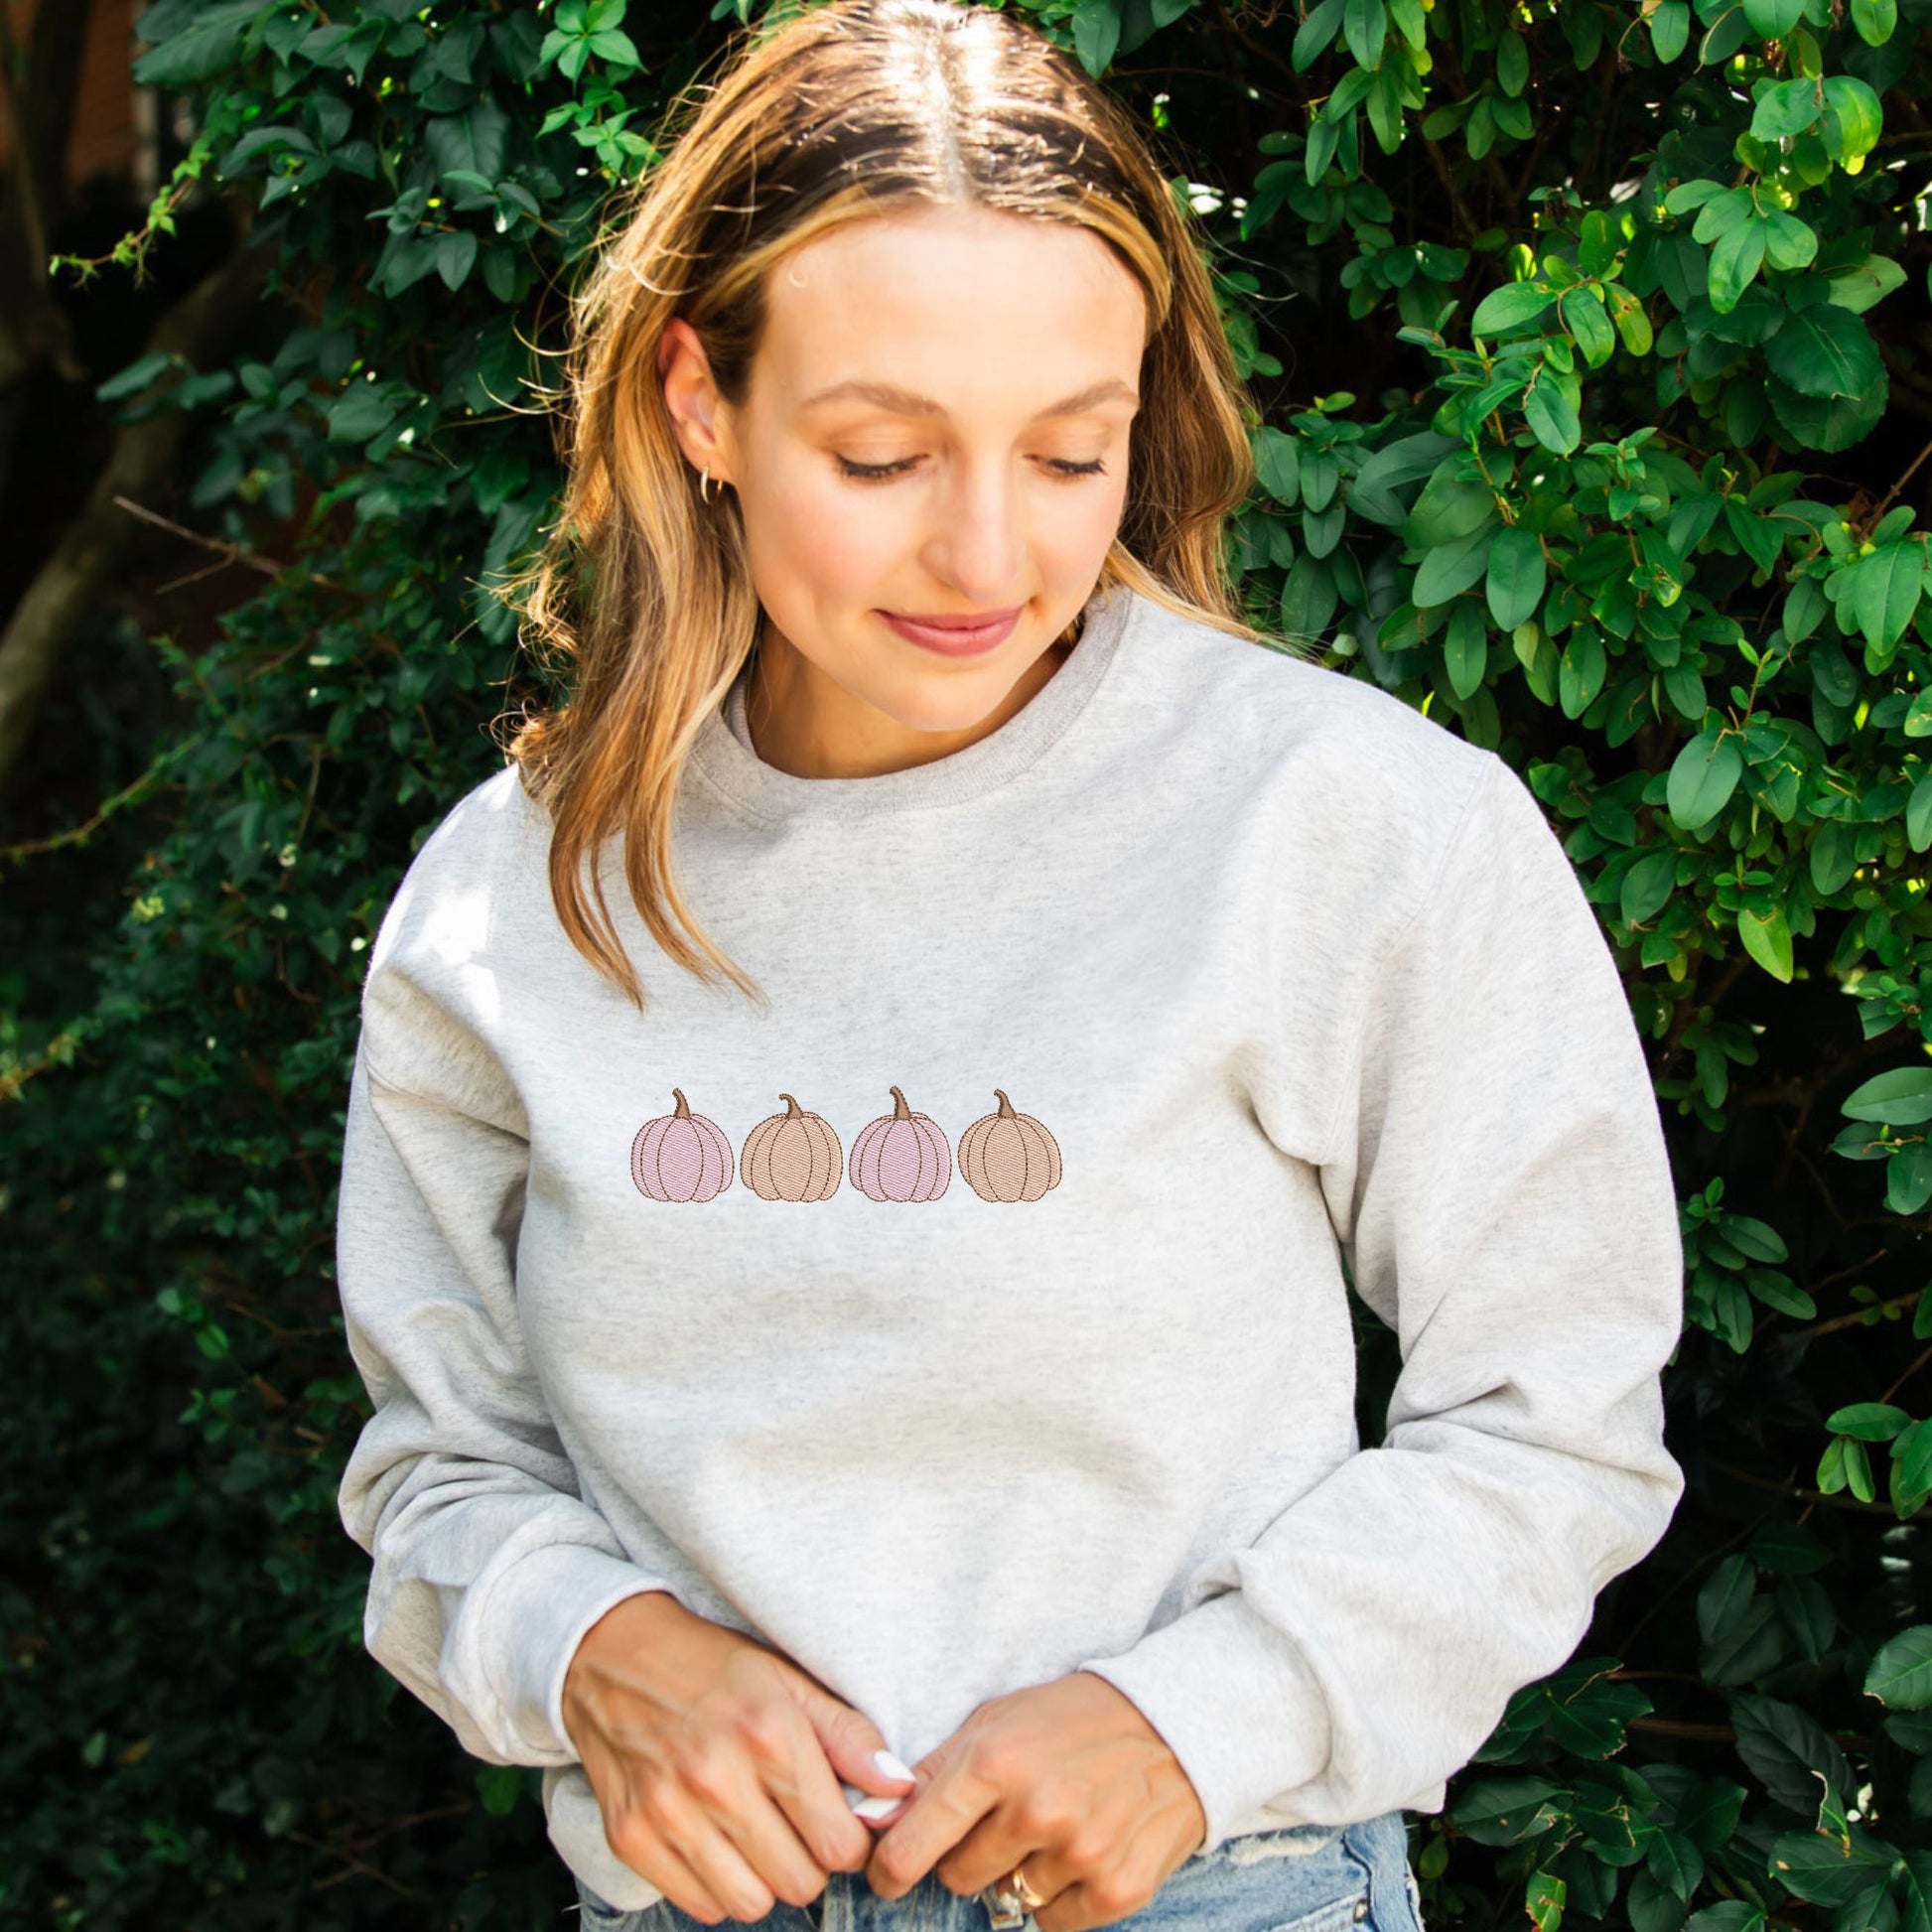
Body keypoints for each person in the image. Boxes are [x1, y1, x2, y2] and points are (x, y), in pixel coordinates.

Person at [330, 2, 1687, 1930]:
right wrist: (591, 1645)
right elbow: (439, 1468)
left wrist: (1199, 1718)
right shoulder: (510, 898)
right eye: (882, 453)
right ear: (698, 402)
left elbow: (1557, 1416)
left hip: (1218, 1890)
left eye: (1068, 452)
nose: (985, 553)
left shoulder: (1343, 825)